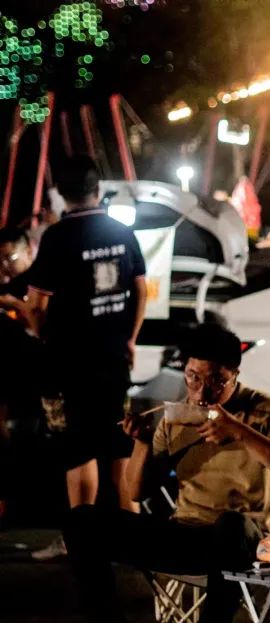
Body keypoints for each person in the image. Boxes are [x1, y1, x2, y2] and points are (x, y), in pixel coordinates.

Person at [57, 323, 270, 623]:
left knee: (231, 525)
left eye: (215, 381)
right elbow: (135, 491)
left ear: (234, 375)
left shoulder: (266, 410)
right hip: (187, 535)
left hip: (251, 542)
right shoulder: (177, 416)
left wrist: (240, 432)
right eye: (193, 377)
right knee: (81, 520)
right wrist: (143, 443)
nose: (201, 391)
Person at [24, 156, 148, 561]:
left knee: (80, 450)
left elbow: (38, 304)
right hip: (114, 359)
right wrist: (130, 338)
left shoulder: (58, 237)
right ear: (98, 188)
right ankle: (134, 541)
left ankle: (82, 542)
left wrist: (38, 331)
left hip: (69, 362)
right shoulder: (123, 231)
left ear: (61, 193)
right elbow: (141, 288)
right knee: (117, 446)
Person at [0, 226, 43, 525]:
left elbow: (42, 328)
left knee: (31, 452)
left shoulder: (41, 284)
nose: (5, 265)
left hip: (35, 386)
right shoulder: (10, 286)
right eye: (0, 260)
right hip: (11, 386)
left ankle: (30, 517)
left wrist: (16, 306)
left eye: (10, 257)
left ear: (28, 250)